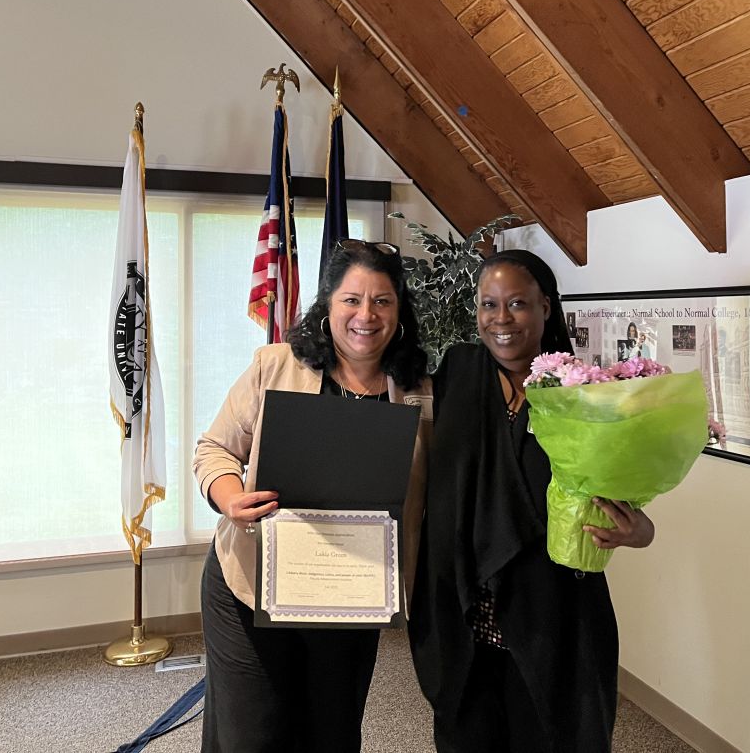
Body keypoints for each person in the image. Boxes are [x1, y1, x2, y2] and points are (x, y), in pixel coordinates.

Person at [409, 249, 655, 753]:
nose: (501, 319)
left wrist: (640, 533)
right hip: (464, 614)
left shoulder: (583, 393)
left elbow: (629, 504)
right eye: (488, 305)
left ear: (546, 306)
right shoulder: (456, 373)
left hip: (553, 621)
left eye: (517, 304)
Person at [193, 239, 431, 753]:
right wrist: (231, 498)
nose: (365, 315)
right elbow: (213, 449)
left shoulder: (421, 392)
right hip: (252, 584)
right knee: (250, 736)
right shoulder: (275, 366)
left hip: (351, 597)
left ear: (399, 311)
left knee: (332, 735)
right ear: (327, 306)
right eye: (351, 299)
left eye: (382, 301)